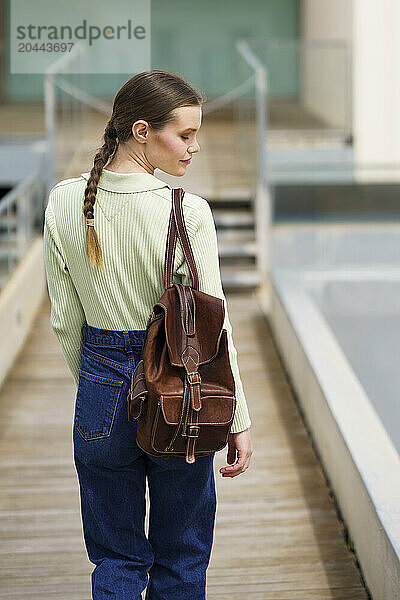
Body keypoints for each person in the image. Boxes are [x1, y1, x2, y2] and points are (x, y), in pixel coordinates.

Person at [43, 69, 253, 600]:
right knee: (181, 557)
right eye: (184, 135)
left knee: (114, 558)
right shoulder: (189, 212)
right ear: (142, 131)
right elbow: (214, 327)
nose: (196, 147)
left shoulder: (65, 201)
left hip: (100, 387)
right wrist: (237, 417)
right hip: (181, 392)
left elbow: (66, 320)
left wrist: (99, 384)